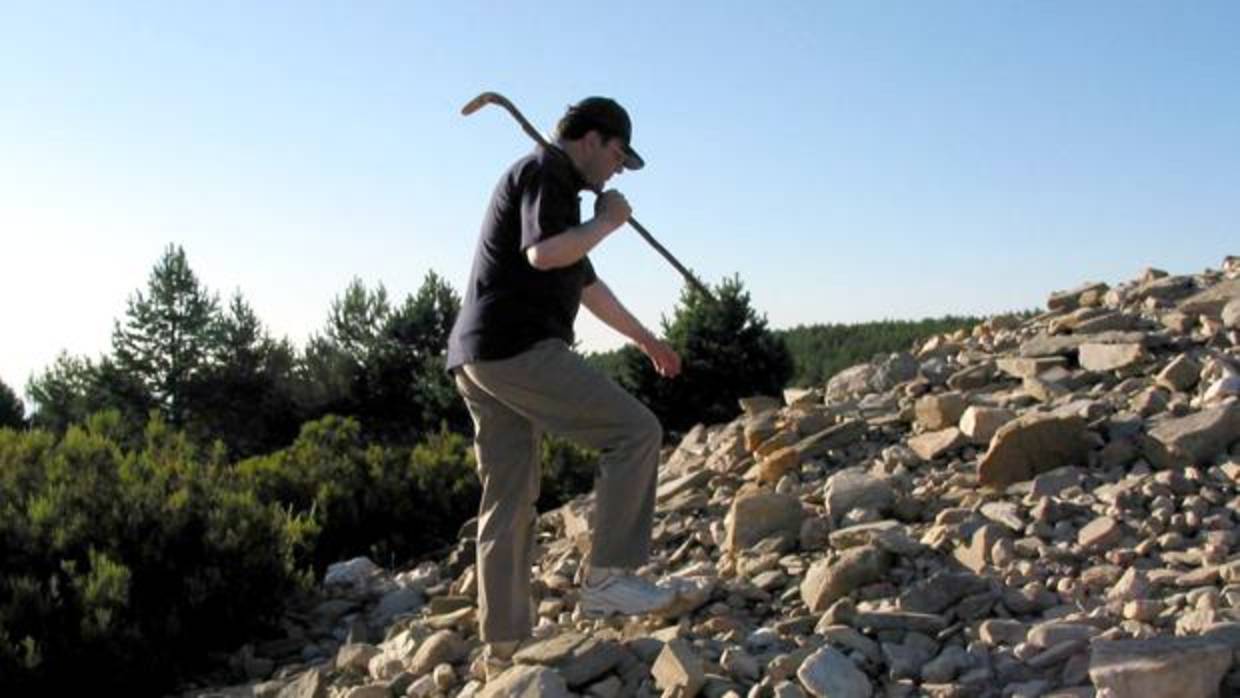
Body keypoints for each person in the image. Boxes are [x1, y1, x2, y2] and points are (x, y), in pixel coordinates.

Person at [446, 96, 681, 672]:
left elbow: (585, 286)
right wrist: (606, 222)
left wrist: (647, 340)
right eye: (618, 156)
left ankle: (504, 642)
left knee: (508, 496)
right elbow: (545, 254)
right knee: (635, 432)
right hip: (518, 348)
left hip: (477, 355)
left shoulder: (556, 189)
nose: (617, 170)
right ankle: (608, 578)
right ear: (593, 139)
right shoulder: (546, 171)